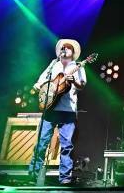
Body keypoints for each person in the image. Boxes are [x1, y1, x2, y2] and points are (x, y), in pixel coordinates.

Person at [29, 39, 86, 185]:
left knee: (66, 146)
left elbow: (82, 86)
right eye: (63, 48)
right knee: (41, 143)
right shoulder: (53, 64)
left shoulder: (78, 66)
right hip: (50, 109)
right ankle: (32, 175)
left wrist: (73, 81)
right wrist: (39, 92)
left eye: (68, 48)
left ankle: (65, 178)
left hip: (68, 111)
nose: (65, 49)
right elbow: (41, 81)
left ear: (73, 53)